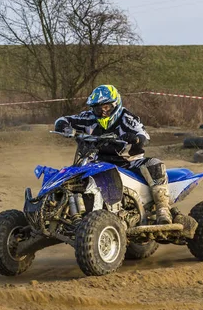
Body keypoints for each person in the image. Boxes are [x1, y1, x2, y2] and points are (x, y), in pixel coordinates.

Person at [54, 84, 172, 224]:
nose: (103, 112)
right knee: (74, 176)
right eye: (98, 108)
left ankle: (163, 209)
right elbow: (62, 120)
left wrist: (136, 139)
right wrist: (65, 128)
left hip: (127, 162)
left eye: (106, 107)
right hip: (98, 162)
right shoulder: (88, 117)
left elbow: (143, 135)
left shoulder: (126, 118)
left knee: (155, 163)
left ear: (115, 105)